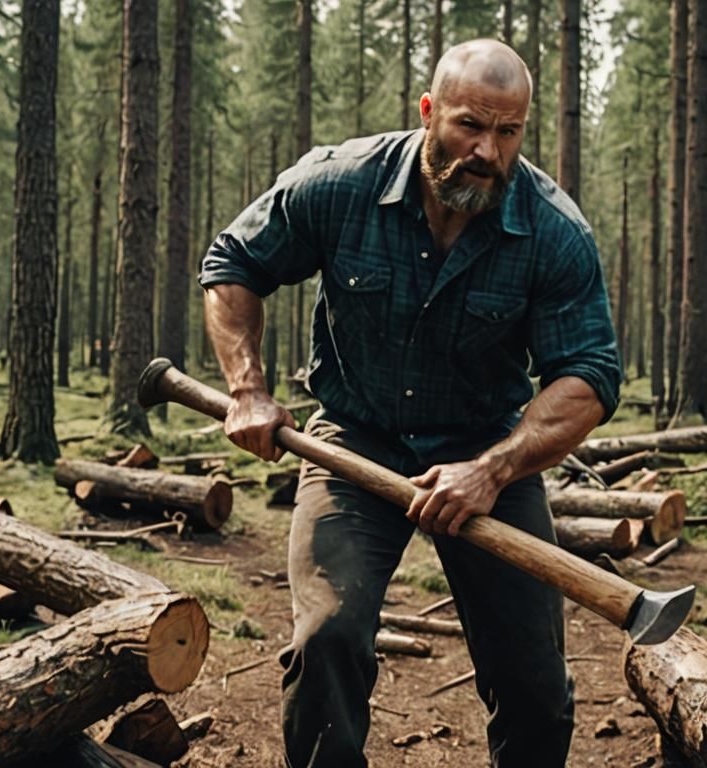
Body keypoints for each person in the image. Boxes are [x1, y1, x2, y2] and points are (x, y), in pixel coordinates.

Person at [199, 38, 621, 768]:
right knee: (326, 640)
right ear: (428, 111)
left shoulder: (553, 230)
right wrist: (248, 390)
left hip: (486, 452)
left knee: (534, 681)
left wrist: (491, 471)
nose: (488, 151)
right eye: (470, 126)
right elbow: (233, 262)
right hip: (353, 441)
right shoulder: (339, 184)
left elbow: (589, 376)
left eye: (509, 132)